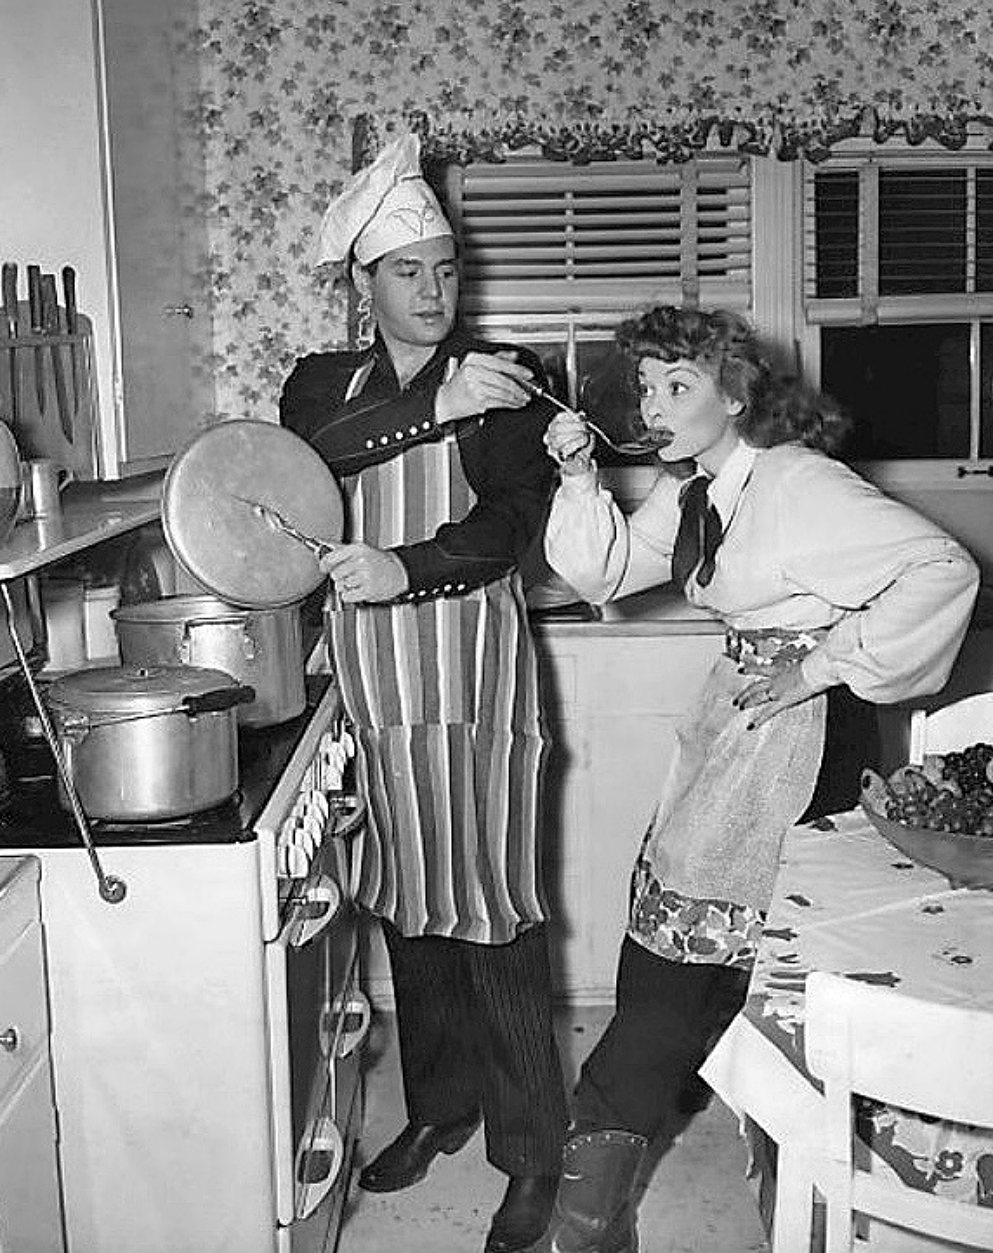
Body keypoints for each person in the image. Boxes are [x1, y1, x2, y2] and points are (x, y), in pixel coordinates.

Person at [540, 305, 980, 1252]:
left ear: (736, 395)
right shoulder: (701, 485)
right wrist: (579, 476)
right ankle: (617, 1202)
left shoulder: (796, 482)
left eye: (679, 386)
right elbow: (602, 571)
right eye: (646, 387)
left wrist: (821, 664)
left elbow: (941, 569)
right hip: (740, 725)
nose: (653, 405)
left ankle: (774, 1194)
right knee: (688, 939)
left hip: (802, 740)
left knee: (751, 963)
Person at [279, 132, 567, 1253]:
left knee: (490, 906)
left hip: (471, 678)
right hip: (369, 686)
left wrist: (408, 564)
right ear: (364, 282)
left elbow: (509, 522)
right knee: (407, 901)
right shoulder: (321, 384)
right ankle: (441, 1107)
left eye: (447, 269)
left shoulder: (505, 375)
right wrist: (427, 405)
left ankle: (532, 1151)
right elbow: (303, 464)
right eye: (409, 272)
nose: (436, 291)